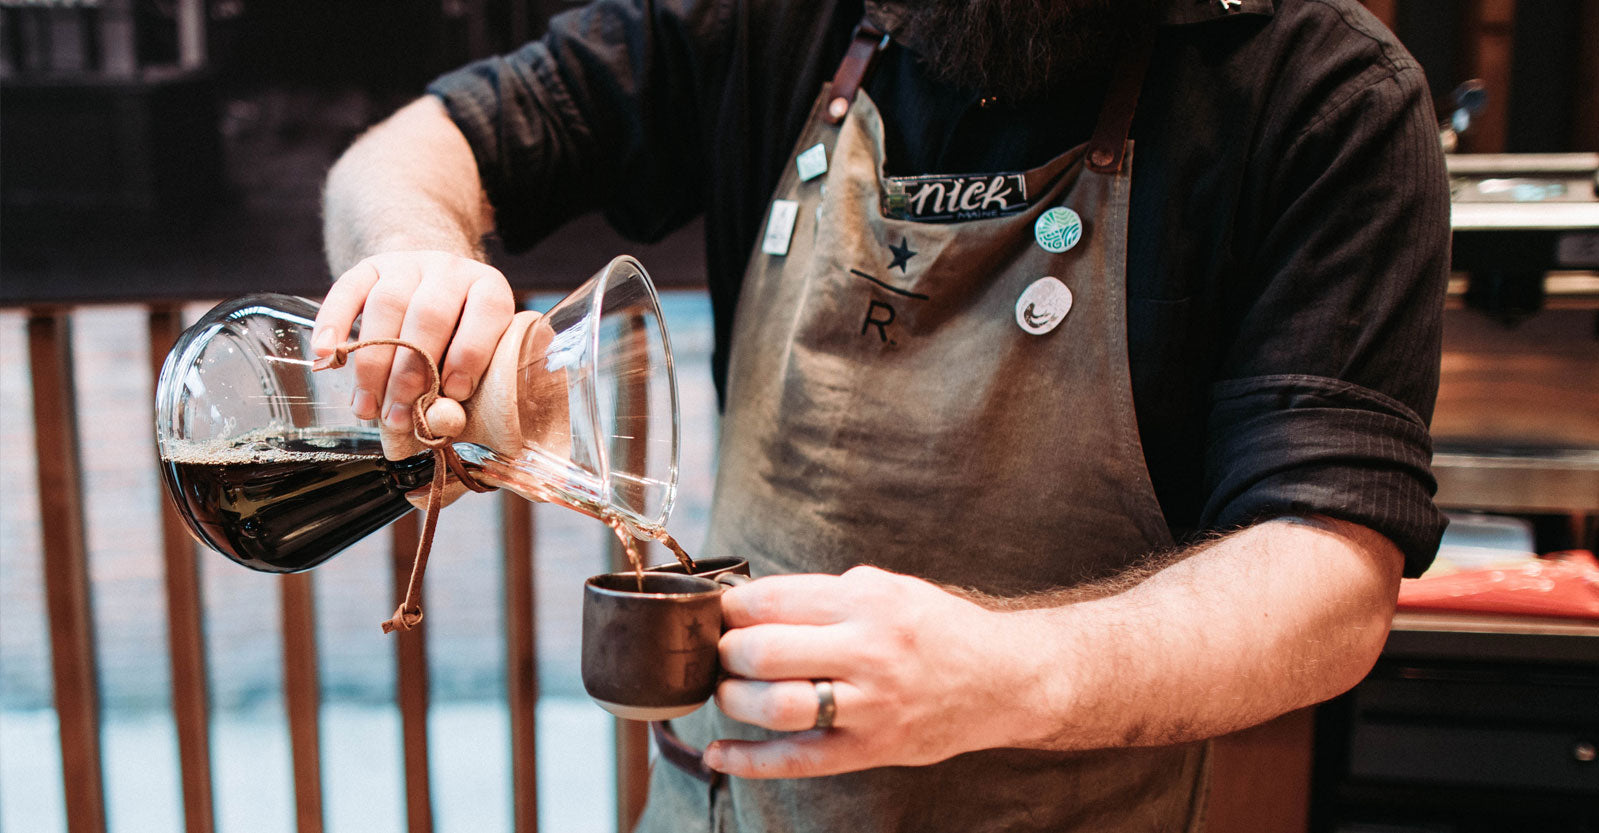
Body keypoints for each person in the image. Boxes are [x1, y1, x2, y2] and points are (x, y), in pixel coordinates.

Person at [312, 0, 1451, 829]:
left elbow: (1329, 581)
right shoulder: (776, 24)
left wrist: (1003, 670)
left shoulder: (1323, 95)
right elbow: (409, 152)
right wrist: (412, 254)